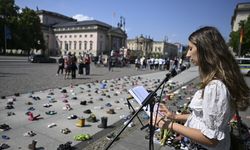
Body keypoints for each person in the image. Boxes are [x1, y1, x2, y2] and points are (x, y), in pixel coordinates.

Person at [153, 26, 249, 150]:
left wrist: (168, 125)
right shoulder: (216, 82)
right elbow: (204, 119)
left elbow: (210, 139)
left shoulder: (215, 87)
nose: (187, 54)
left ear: (205, 50)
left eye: (191, 48)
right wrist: (175, 117)